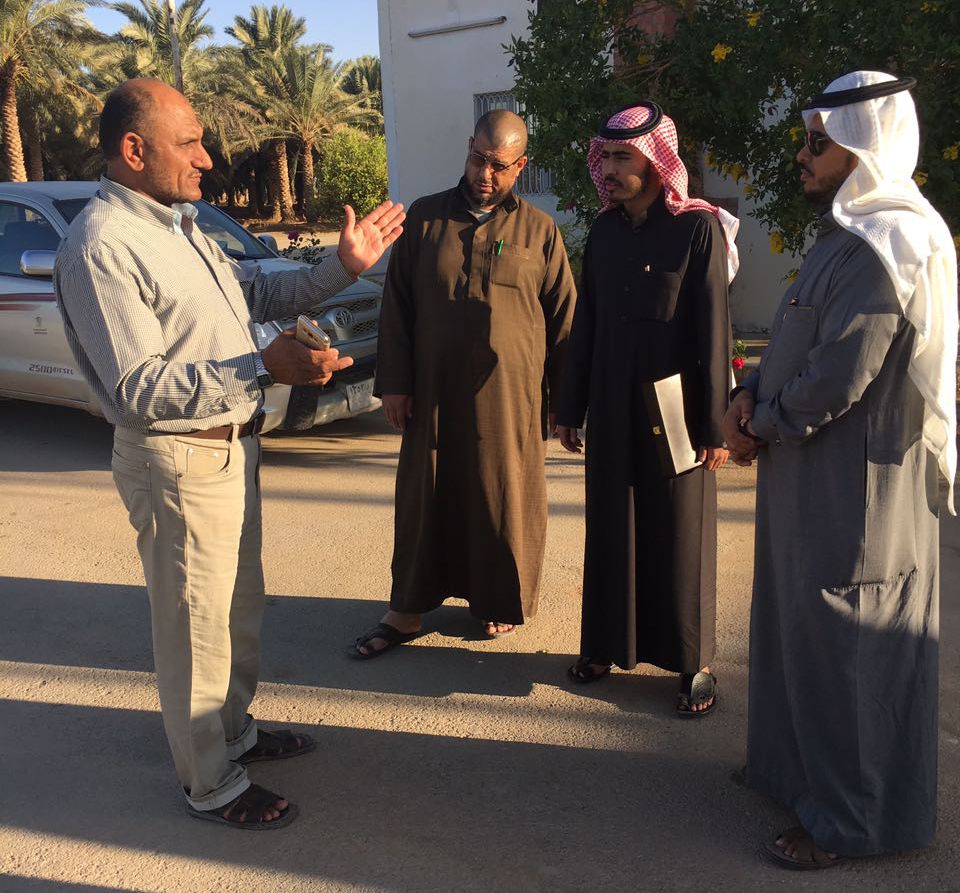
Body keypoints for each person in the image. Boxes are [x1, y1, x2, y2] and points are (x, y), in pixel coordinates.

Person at [54, 78, 404, 829]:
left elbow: (255, 295)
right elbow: (139, 388)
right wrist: (263, 368)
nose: (207, 158)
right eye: (189, 143)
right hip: (177, 461)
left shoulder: (180, 226)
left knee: (237, 612)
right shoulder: (102, 245)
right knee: (194, 631)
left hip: (230, 450)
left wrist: (342, 267)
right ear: (134, 149)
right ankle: (209, 781)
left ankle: (234, 733)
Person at [723, 70, 958, 869]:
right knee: (799, 632)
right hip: (806, 477)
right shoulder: (842, 238)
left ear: (863, 148)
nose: (803, 154)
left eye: (818, 143)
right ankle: (797, 779)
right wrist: (747, 394)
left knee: (851, 646)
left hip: (858, 493)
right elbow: (795, 343)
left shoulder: (891, 245)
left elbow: (838, 376)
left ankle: (850, 823)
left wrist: (762, 424)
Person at [351, 109, 576, 657]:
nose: (485, 174)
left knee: (502, 496)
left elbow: (565, 321)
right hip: (432, 392)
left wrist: (564, 402)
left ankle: (497, 601)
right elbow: (397, 305)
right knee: (424, 495)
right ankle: (406, 610)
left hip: (511, 397)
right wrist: (395, 383)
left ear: (521, 166)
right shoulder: (426, 219)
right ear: (469, 146)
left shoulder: (539, 231)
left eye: (500, 165)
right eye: (478, 159)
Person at [555, 103, 738, 715]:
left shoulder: (697, 229)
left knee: (680, 536)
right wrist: (570, 406)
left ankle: (694, 663)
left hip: (677, 412)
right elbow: (586, 324)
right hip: (611, 406)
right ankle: (603, 646)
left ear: (657, 163)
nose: (609, 169)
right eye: (605, 157)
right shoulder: (604, 233)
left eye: (622, 158)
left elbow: (714, 331)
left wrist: (715, 426)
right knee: (610, 528)